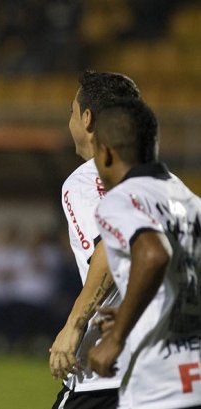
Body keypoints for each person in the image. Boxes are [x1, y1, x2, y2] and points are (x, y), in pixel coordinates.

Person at [88, 98, 201, 408]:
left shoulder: (122, 200)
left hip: (158, 385)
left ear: (106, 153)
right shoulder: (190, 201)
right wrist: (128, 314)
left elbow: (153, 255)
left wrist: (115, 338)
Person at [49, 70, 141, 409]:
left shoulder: (88, 180)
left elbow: (111, 250)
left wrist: (74, 325)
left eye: (72, 112)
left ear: (87, 119)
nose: (69, 121)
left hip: (108, 374)